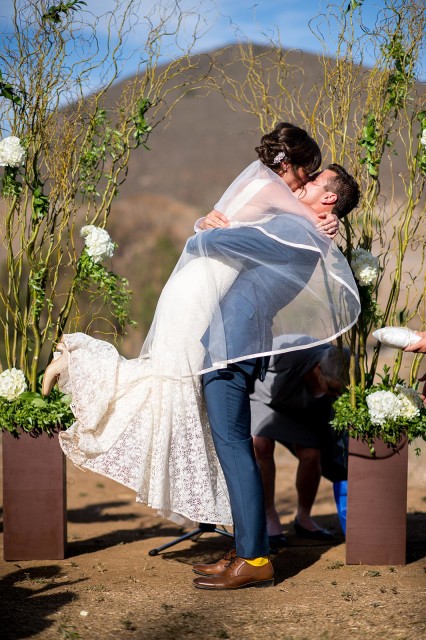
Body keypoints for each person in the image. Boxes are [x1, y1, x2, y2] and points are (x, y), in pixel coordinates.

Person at [43, 122, 361, 590]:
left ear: (329, 200)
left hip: (232, 350)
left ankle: (254, 560)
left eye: (315, 182)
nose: (304, 183)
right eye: (306, 176)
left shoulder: (303, 231)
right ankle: (245, 546)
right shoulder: (303, 225)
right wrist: (213, 222)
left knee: (234, 450)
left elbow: (234, 241)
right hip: (226, 345)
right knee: (230, 449)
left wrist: (211, 228)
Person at [250, 340, 349, 549]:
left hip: (303, 409)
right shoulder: (287, 355)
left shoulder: (338, 364)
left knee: (312, 455)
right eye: (331, 387)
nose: (335, 395)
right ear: (318, 368)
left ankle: (304, 518)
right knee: (262, 445)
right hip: (263, 400)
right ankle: (269, 515)